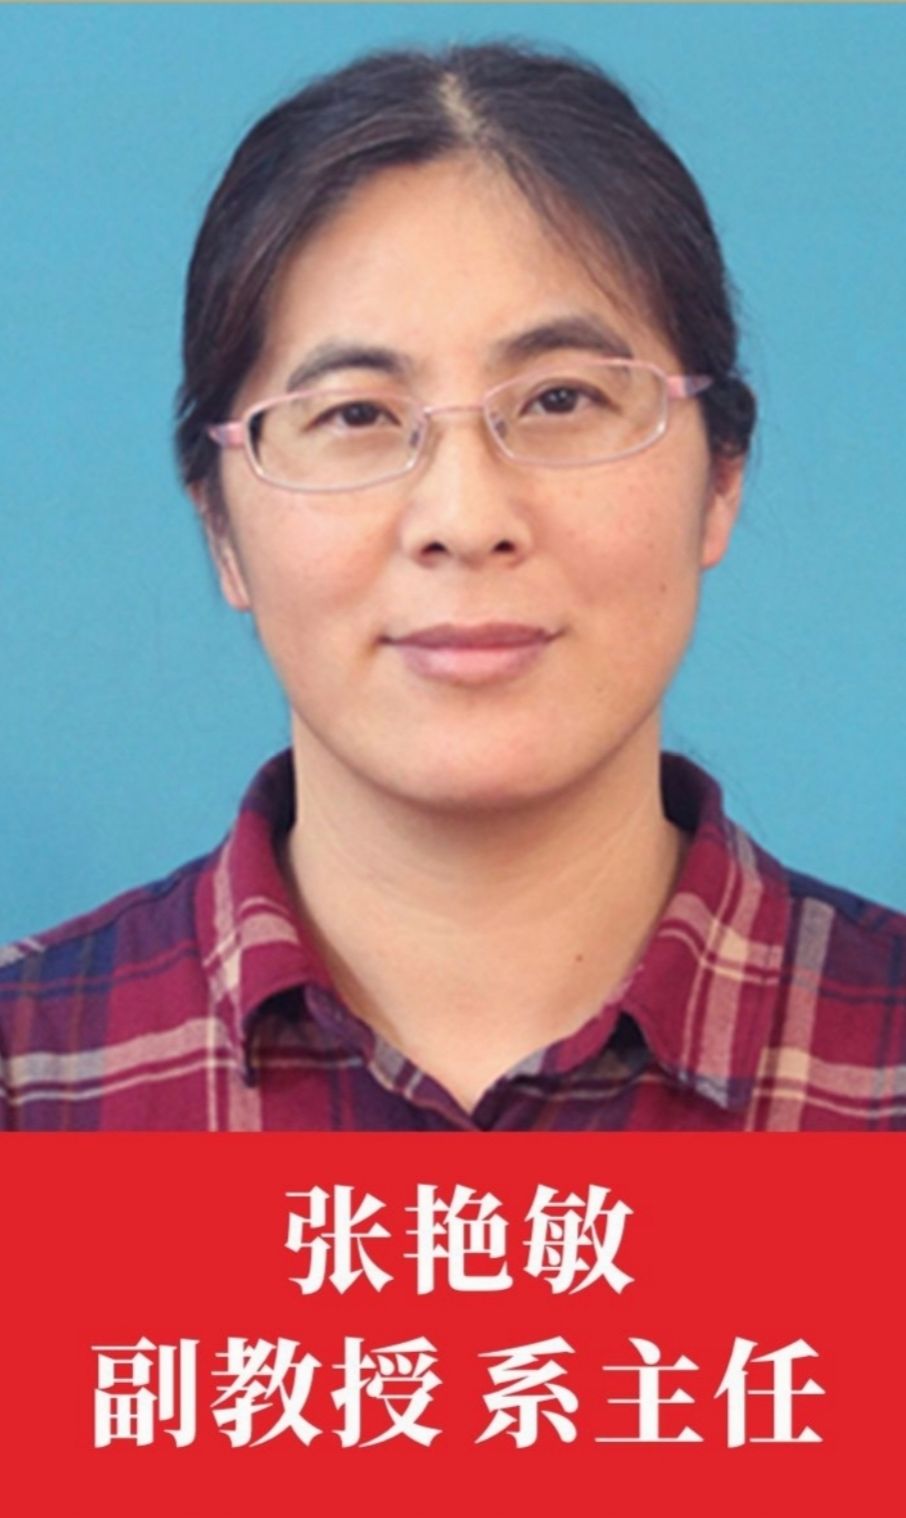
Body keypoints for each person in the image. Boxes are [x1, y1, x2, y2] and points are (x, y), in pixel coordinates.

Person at [1, 41, 904, 1132]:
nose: (467, 521)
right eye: (356, 414)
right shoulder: (32, 1074)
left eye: (563, 399)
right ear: (220, 527)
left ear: (721, 479)